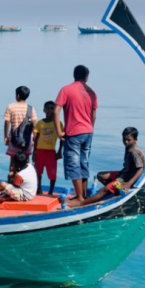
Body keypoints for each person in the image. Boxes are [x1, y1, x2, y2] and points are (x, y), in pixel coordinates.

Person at [69, 127, 144, 208]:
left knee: (103, 190)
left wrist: (129, 184)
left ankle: (81, 203)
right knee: (100, 175)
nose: (126, 142)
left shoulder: (134, 151)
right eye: (124, 139)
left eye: (129, 140)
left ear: (135, 139)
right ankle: (115, 191)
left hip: (126, 180)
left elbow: (140, 169)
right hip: (123, 174)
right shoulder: (129, 147)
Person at [54, 65, 98, 203]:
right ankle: (83, 194)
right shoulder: (92, 92)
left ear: (74, 75)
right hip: (88, 131)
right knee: (83, 162)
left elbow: (56, 111)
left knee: (73, 164)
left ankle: (79, 198)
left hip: (73, 132)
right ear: (87, 77)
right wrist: (90, 127)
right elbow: (94, 115)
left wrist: (59, 131)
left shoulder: (66, 90)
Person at [3, 86, 38, 172]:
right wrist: (34, 137)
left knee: (12, 160)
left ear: (17, 95)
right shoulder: (31, 108)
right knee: (26, 160)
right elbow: (34, 124)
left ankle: (11, 179)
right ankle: (25, 179)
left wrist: (6, 136)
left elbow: (7, 122)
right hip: (27, 140)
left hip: (14, 138)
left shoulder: (11, 107)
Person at [32, 101, 63, 194]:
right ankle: (39, 189)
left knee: (52, 173)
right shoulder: (40, 123)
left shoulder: (58, 123)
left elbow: (62, 138)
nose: (49, 110)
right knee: (38, 172)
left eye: (52, 108)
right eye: (47, 108)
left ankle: (50, 191)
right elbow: (36, 138)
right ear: (44, 110)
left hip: (51, 152)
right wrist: (34, 152)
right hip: (40, 151)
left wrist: (59, 151)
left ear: (55, 110)